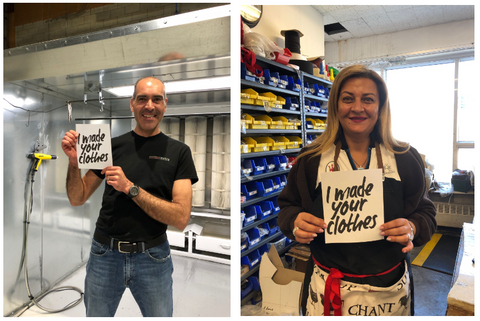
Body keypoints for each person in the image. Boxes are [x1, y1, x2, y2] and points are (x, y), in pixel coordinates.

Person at [277, 65, 436, 316]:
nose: (358, 108)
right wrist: (294, 222)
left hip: (389, 290)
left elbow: (426, 212)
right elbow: (287, 208)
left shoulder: (404, 158)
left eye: (368, 100)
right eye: (348, 98)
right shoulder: (311, 159)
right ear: (335, 105)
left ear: (381, 107)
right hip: (328, 286)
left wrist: (414, 227)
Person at [61, 76, 198, 317]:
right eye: (142, 99)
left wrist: (130, 188)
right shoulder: (109, 146)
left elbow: (180, 218)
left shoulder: (179, 153)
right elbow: (77, 197)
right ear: (132, 103)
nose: (149, 106)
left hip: (153, 257)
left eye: (156, 99)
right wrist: (74, 163)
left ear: (165, 104)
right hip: (105, 254)